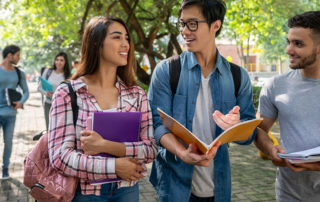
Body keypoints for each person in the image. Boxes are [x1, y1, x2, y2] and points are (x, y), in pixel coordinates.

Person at [148, 0, 256, 201]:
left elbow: (249, 134)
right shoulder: (167, 71)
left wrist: (238, 126)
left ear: (216, 25)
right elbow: (155, 125)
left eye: (193, 24)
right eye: (182, 24)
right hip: (174, 186)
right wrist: (182, 153)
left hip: (219, 187)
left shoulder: (238, 76)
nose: (185, 31)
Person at [48, 16, 157, 201]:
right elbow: (60, 157)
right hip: (85, 193)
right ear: (96, 42)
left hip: (127, 190)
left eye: (127, 38)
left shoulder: (136, 93)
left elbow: (151, 149)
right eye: (116, 37)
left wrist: (105, 146)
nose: (126, 44)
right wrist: (114, 166)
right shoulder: (68, 93)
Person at [254, 11, 320, 201]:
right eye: (288, 41)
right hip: (290, 193)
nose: (288, 50)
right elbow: (259, 131)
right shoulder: (275, 86)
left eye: (298, 44)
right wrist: (269, 149)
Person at [0, 45, 29, 179]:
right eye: (17, 55)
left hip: (10, 114)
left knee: (8, 141)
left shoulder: (19, 73)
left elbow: (26, 91)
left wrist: (21, 102)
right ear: (9, 56)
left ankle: (5, 168)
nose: (19, 57)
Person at [38, 52, 71, 131]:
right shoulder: (48, 72)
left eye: (61, 60)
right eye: (57, 60)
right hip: (48, 104)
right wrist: (47, 93)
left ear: (65, 62)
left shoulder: (68, 75)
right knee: (49, 129)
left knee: (60, 130)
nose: (58, 62)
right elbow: (39, 88)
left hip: (62, 106)